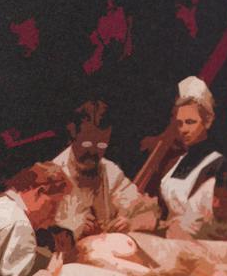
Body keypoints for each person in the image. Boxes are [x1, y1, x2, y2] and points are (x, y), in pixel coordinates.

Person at [53, 100, 157, 241]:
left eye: (101, 145)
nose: (93, 151)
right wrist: (74, 228)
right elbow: (40, 229)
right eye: (87, 143)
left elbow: (145, 211)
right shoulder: (53, 174)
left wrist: (129, 223)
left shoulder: (110, 171)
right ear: (73, 134)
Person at [159, 76, 226, 241]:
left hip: (194, 243)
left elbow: (205, 221)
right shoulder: (178, 160)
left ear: (208, 121)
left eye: (190, 122)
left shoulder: (218, 164)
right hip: (167, 238)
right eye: (180, 123)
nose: (184, 130)